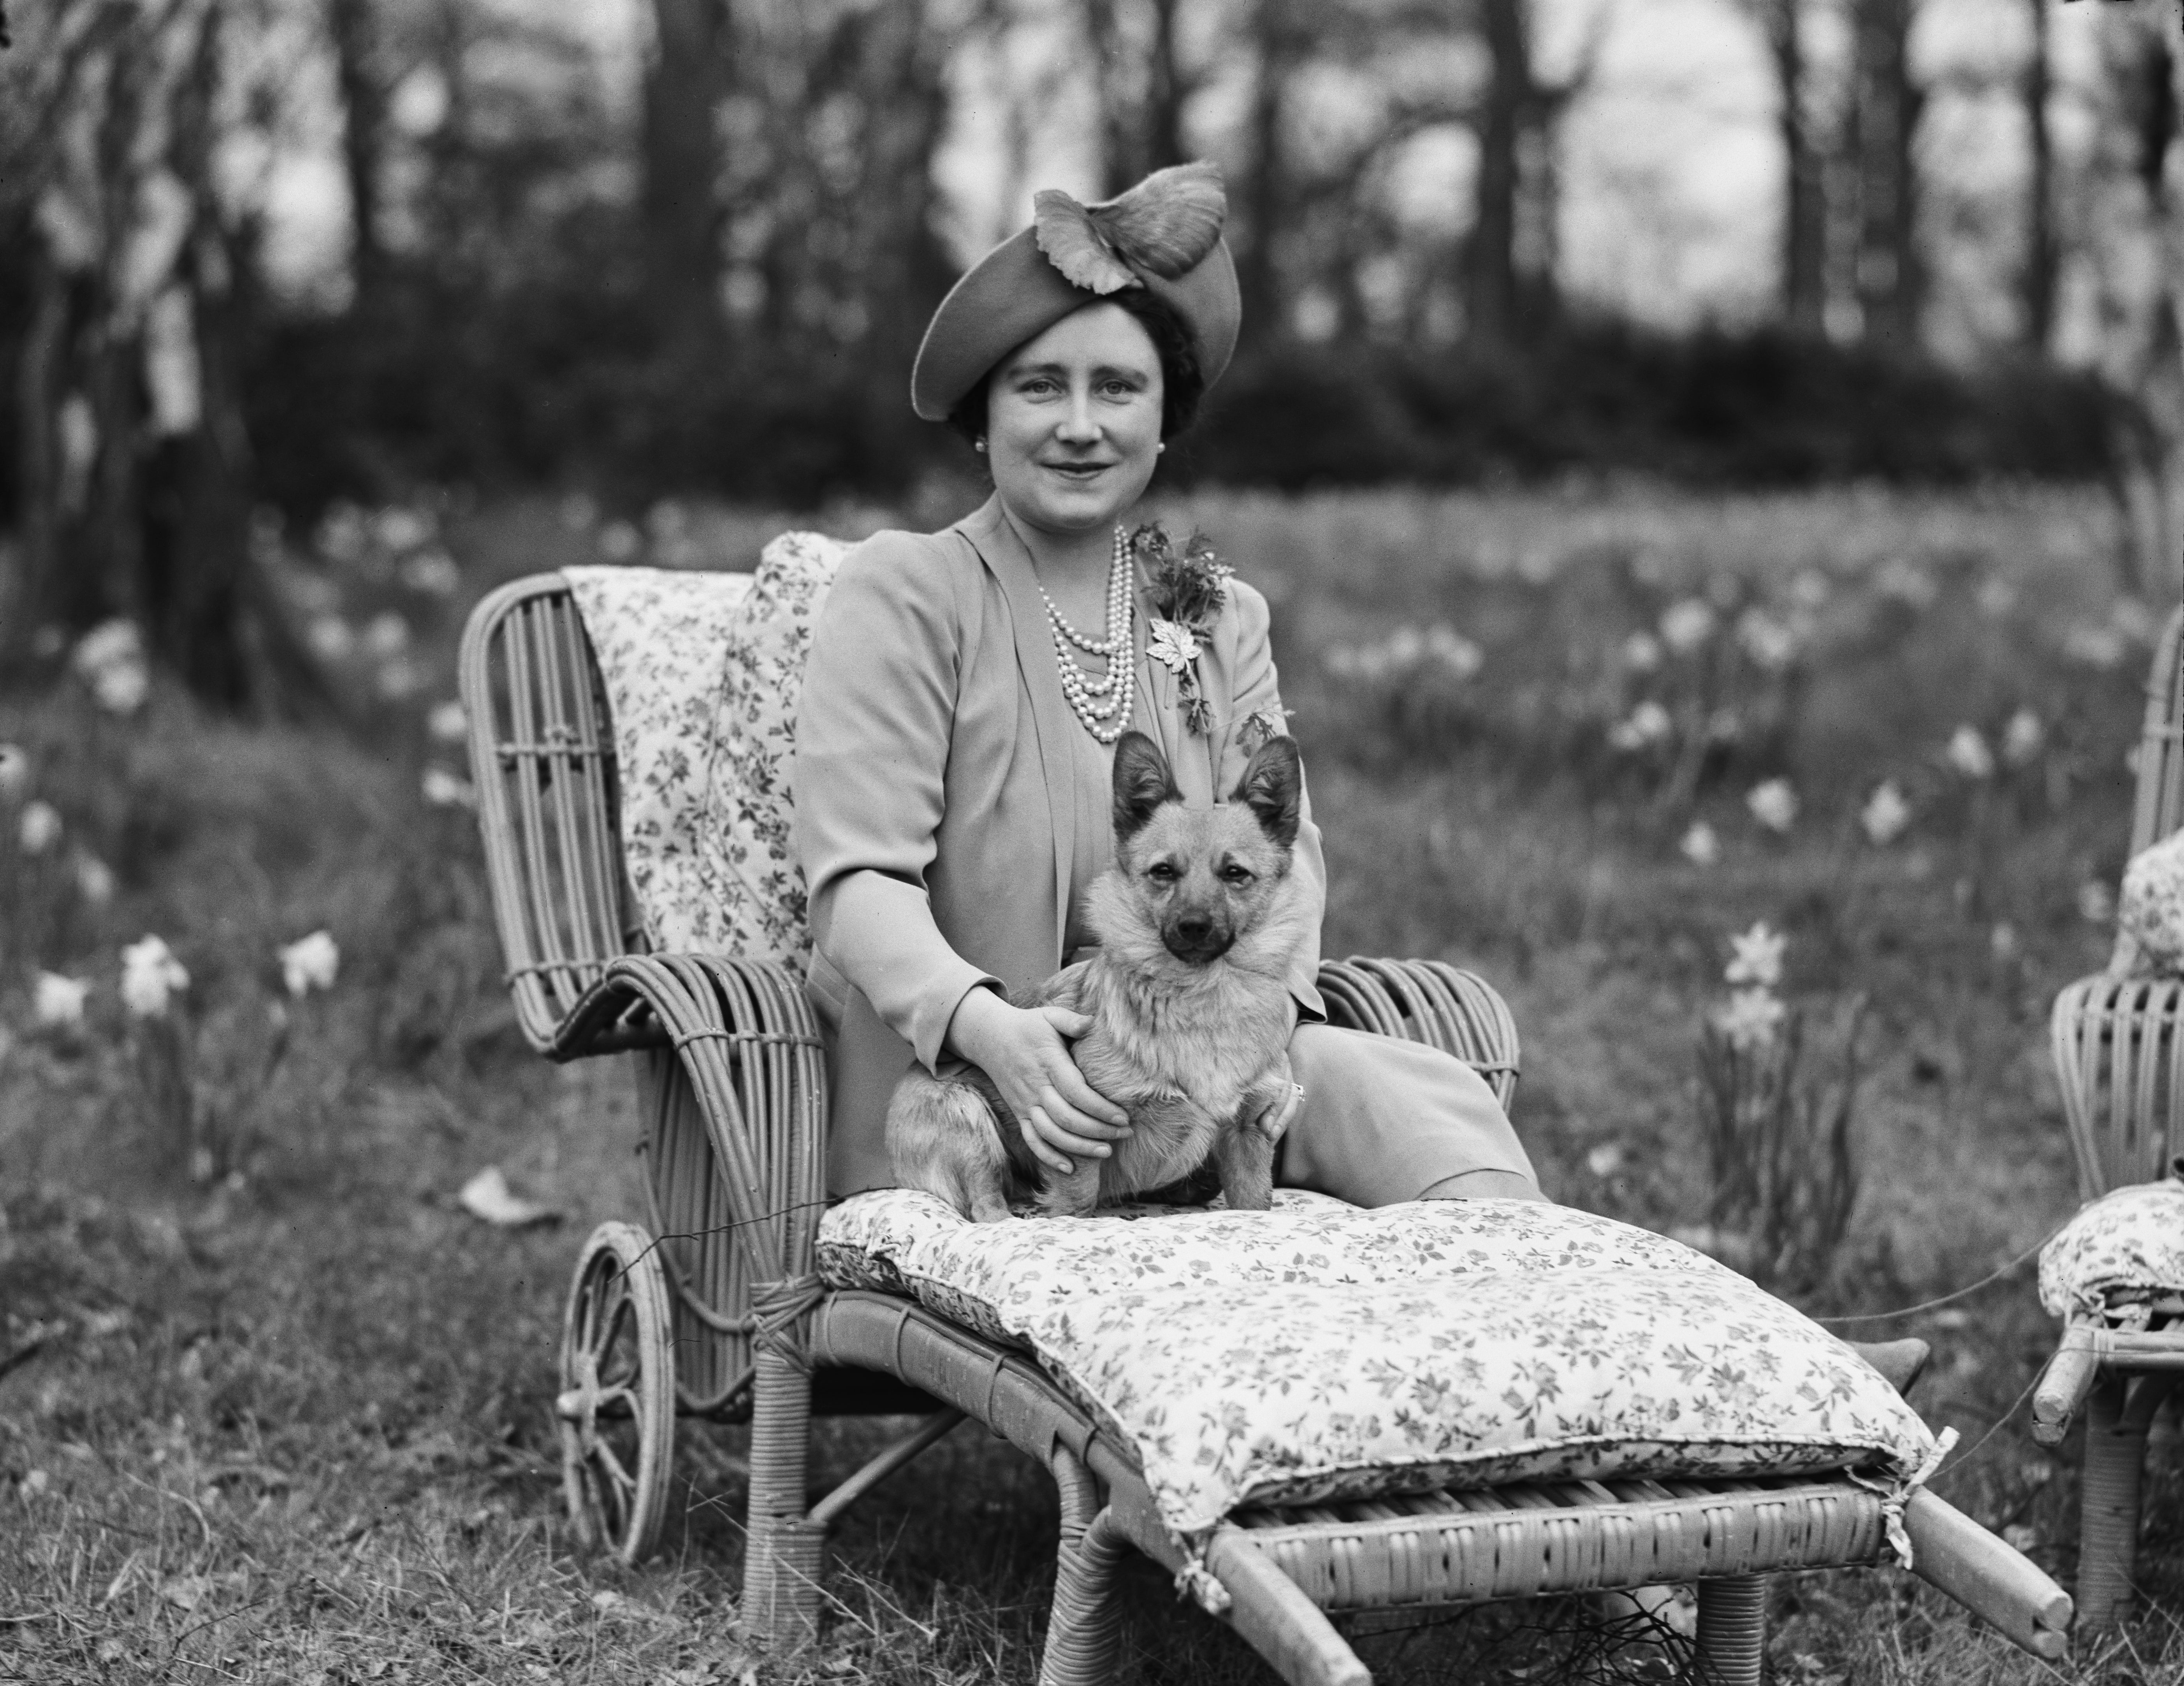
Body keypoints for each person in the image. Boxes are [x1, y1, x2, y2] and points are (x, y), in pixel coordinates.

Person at [792, 162, 1542, 1210]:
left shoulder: (1214, 614)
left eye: (1118, 387)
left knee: (1412, 1091)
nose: (1080, 424)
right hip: (983, 1099)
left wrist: (1264, 1027)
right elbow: (856, 884)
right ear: (983, 413)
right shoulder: (907, 594)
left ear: (1162, 418)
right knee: (1008, 1118)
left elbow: (1288, 863)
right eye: (1040, 385)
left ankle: (1666, 1343)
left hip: (1208, 1068)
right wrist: (986, 1028)